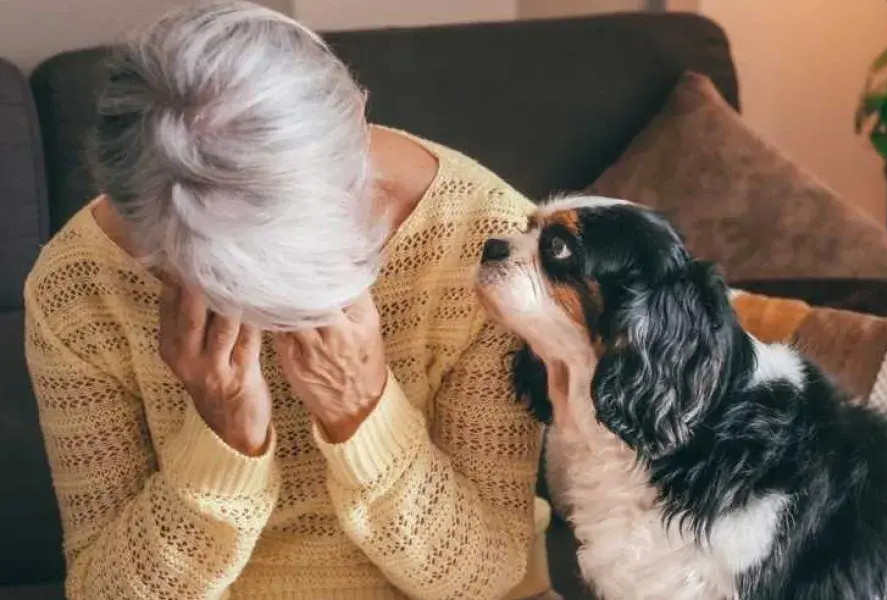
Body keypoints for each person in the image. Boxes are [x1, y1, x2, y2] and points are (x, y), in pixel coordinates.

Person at [23, 2, 553, 598]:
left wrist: (363, 412)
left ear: (355, 117)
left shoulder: (491, 249)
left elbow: (480, 579)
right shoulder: (78, 287)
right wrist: (223, 440)